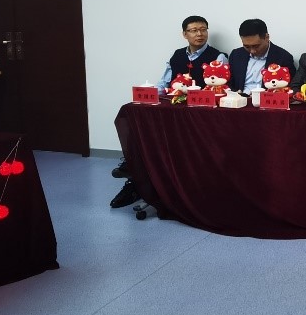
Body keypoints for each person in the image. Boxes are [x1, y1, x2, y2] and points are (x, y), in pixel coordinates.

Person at [112, 16, 228, 209]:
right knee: (138, 117)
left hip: (200, 113)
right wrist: (147, 95)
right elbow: (164, 83)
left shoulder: (218, 57)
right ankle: (133, 171)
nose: (199, 34)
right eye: (194, 30)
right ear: (184, 34)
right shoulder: (177, 55)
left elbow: (219, 87)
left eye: (203, 29)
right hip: (174, 108)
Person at [227, 18, 296, 94]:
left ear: (266, 37)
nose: (252, 51)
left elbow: (288, 87)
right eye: (247, 46)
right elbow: (228, 82)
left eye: (256, 46)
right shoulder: (236, 55)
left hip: (266, 99)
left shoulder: (283, 57)